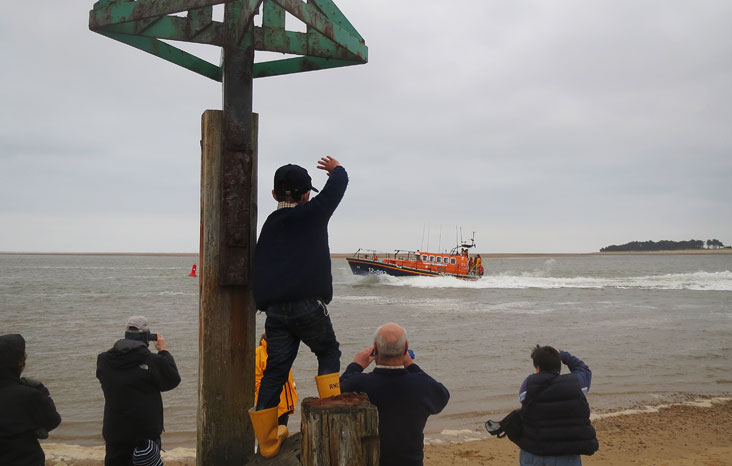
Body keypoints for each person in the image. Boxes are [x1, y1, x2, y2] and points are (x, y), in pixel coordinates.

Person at [251, 155, 348, 458]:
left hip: (276, 312)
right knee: (328, 352)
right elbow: (338, 187)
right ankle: (330, 413)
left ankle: (267, 442)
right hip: (308, 306)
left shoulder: (269, 225)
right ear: (307, 195)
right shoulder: (312, 213)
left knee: (276, 371)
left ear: (274, 195)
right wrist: (337, 170)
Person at [340, 323, 450, 466]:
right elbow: (442, 395)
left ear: (375, 348)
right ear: (406, 348)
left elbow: (334, 394)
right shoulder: (421, 386)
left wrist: (356, 365)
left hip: (369, 461)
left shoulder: (359, 383)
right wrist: (411, 365)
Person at [96, 316, 181, 466]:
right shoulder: (152, 361)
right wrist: (163, 351)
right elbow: (173, 379)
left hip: (115, 434)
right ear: (146, 337)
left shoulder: (103, 360)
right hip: (145, 438)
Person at [517, 345, 598, 466]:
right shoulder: (575, 384)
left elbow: (524, 402)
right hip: (565, 454)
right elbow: (583, 370)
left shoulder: (528, 384)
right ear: (559, 365)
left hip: (533, 452)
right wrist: (564, 355)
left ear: (537, 367)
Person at [0, 334, 62, 466]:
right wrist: (41, 390)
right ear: (18, 363)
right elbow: (53, 420)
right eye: (23, 356)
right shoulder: (29, 394)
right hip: (24, 459)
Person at [254, 334, 298, 428]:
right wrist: (265, 400)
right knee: (268, 438)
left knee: (281, 436)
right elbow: (256, 381)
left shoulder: (282, 351)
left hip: (285, 406)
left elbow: (288, 377)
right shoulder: (259, 353)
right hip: (270, 406)